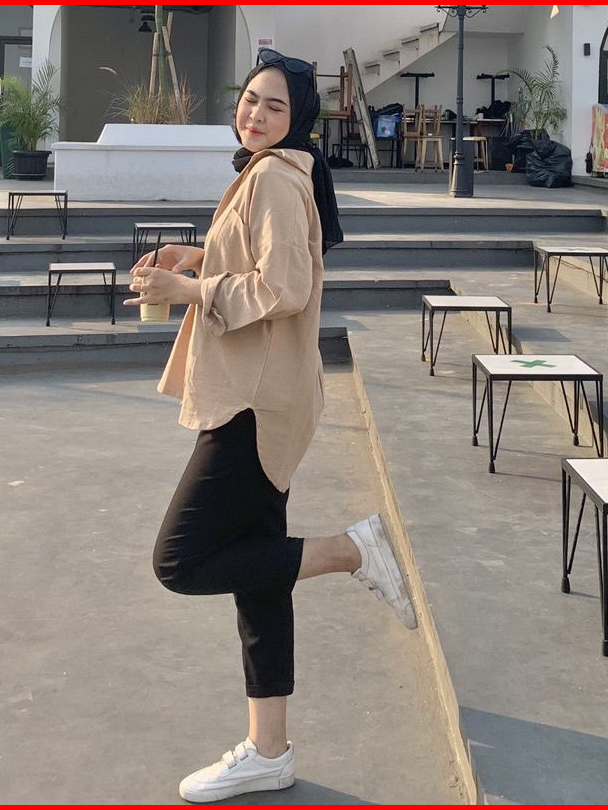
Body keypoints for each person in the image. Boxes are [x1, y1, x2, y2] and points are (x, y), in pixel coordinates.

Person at [126, 47, 418, 804]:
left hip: (253, 402)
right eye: (251, 99)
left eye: (275, 106)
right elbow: (260, 259)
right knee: (258, 575)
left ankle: (351, 550)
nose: (255, 113)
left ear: (299, 120)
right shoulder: (271, 172)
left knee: (181, 561)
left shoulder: (278, 179)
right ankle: (269, 751)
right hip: (262, 392)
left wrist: (187, 289)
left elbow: (282, 286)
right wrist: (198, 255)